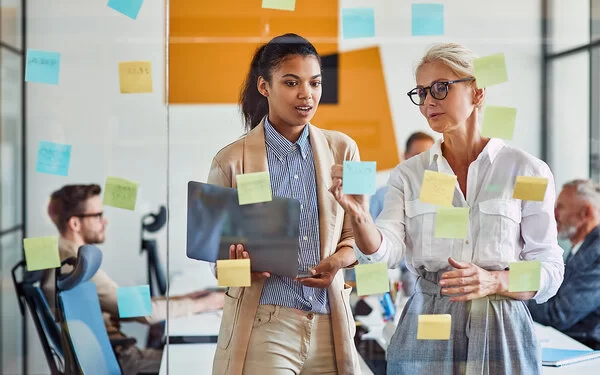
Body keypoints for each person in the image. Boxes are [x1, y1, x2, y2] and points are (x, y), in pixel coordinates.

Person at [329, 43, 564, 373]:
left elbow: (549, 267)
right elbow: (385, 251)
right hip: (429, 324)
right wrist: (361, 216)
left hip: (502, 326)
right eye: (422, 92)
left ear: (477, 93)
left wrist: (496, 281)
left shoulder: (524, 170)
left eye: (440, 88)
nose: (428, 103)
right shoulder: (409, 174)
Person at [209, 33, 361, 375]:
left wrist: (338, 260)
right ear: (265, 87)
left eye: (315, 83)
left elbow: (357, 237)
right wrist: (240, 266)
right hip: (266, 322)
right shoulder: (231, 160)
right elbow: (217, 263)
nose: (306, 94)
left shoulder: (344, 150)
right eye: (291, 83)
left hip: (329, 320)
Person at [41, 184, 225, 375]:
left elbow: (129, 302)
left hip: (112, 356)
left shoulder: (65, 254)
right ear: (75, 224)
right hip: (120, 360)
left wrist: (186, 298)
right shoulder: (77, 265)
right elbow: (144, 313)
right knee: (204, 365)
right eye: (98, 215)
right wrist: (205, 304)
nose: (105, 222)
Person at [527, 179, 600, 349]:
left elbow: (558, 314)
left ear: (586, 213)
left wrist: (509, 291)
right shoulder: (582, 248)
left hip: (586, 350)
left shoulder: (596, 252)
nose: (553, 214)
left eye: (560, 207)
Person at [369, 132, 435, 297]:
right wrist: (373, 292)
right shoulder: (383, 196)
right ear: (405, 156)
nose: (424, 163)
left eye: (430, 156)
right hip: (389, 283)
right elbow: (370, 245)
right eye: (418, 156)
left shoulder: (445, 198)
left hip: (430, 285)